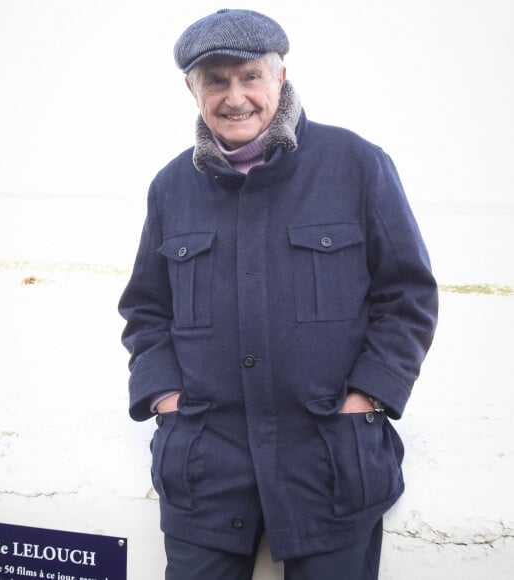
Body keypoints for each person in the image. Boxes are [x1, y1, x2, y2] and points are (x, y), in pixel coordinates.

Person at [118, 8, 438, 580]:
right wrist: (167, 402)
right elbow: (146, 310)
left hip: (331, 466)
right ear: (191, 88)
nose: (234, 96)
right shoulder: (170, 187)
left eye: (249, 76)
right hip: (206, 472)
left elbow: (407, 294)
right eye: (215, 80)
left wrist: (368, 397)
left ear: (281, 77)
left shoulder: (357, 163)